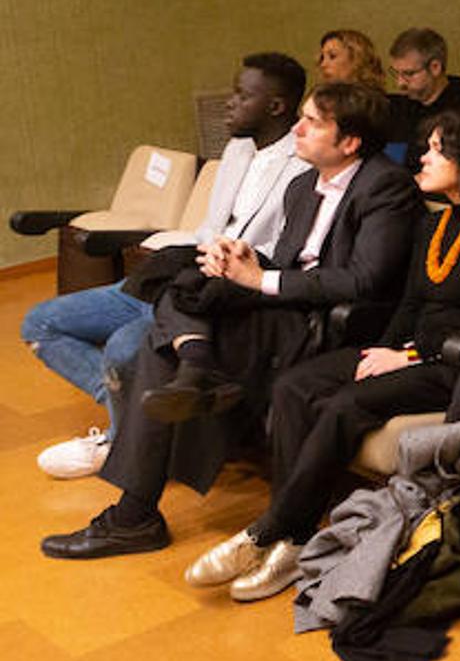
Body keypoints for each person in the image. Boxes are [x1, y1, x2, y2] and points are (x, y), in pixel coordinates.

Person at [41, 83, 422, 560]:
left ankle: (136, 511)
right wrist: (241, 257)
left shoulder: (386, 186)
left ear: (349, 143)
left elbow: (364, 281)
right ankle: (192, 370)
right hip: (285, 305)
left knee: (160, 347)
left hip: (331, 325)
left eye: (313, 123)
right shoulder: (302, 185)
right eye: (300, 117)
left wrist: (260, 279)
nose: (298, 130)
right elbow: (289, 260)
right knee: (185, 277)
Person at [183, 111, 460, 601]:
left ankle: (271, 532)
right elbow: (411, 303)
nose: (422, 157)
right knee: (295, 386)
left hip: (456, 364)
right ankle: (293, 538)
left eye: (435, 149)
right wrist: (386, 347)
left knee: (344, 404)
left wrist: (407, 357)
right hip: (409, 349)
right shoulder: (436, 224)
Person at [22, 53, 313, 480]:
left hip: (221, 287)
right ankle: (125, 418)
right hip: (182, 269)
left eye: (241, 95)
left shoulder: (302, 163)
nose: (230, 102)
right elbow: (208, 228)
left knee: (122, 350)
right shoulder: (235, 149)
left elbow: (274, 250)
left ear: (276, 107)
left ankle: (123, 444)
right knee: (40, 323)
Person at [385, 28, 460, 166]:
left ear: (435, 67)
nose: (400, 83)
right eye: (396, 73)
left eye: (409, 74)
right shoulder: (401, 105)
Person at [317, 29, 387, 90]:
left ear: (357, 60)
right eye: (322, 58)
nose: (323, 64)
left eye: (332, 56)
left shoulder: (375, 103)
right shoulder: (317, 100)